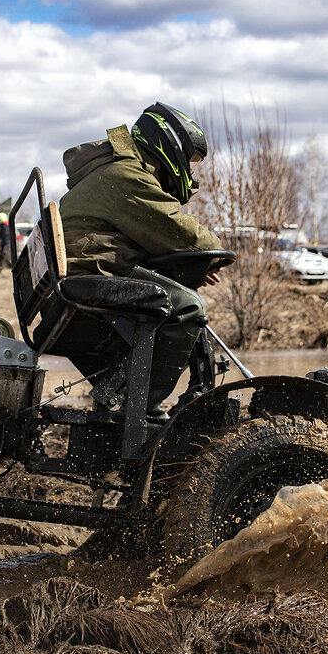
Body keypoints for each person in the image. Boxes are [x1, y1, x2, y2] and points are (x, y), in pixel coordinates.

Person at [57, 101, 224, 418]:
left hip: (83, 276)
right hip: (87, 279)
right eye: (189, 161)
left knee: (179, 297)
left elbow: (142, 240)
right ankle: (131, 412)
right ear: (170, 144)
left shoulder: (118, 168)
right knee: (189, 307)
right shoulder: (127, 175)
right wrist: (215, 253)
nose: (189, 172)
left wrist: (192, 266)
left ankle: (125, 402)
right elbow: (176, 229)